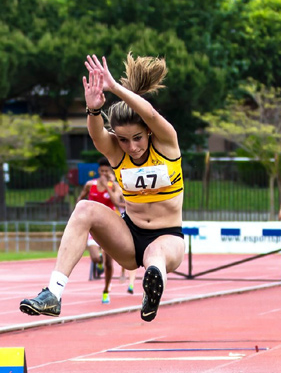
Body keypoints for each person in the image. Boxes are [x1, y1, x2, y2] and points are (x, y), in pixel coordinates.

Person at [20, 53, 185, 322]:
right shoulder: (117, 153)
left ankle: (152, 291)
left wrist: (115, 88)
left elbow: (152, 115)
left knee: (155, 253)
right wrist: (94, 109)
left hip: (168, 238)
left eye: (137, 138)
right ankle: (53, 293)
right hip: (129, 236)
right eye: (122, 140)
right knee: (84, 208)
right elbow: (97, 134)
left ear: (149, 133)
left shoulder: (166, 144)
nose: (132, 147)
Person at [76, 157, 123, 304]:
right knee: (96, 257)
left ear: (110, 172)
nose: (103, 173)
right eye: (101, 171)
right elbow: (81, 198)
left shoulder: (114, 186)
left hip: (108, 227)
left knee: (110, 263)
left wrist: (108, 184)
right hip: (92, 226)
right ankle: (99, 262)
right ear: (98, 171)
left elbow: (116, 201)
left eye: (106, 171)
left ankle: (106, 290)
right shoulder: (90, 185)